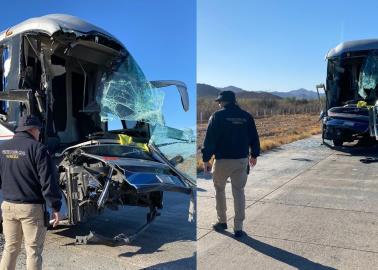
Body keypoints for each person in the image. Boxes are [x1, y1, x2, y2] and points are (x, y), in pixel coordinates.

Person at [0, 115, 62, 270]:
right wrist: (55, 207)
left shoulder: (2, 148)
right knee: (33, 251)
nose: (39, 133)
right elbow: (47, 182)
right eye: (39, 130)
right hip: (31, 209)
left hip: (7, 206)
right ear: (32, 129)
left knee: (10, 248)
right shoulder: (38, 149)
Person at [202, 90, 260, 237]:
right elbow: (254, 136)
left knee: (220, 190)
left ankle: (222, 222)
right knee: (239, 192)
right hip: (241, 160)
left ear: (223, 102)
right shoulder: (247, 116)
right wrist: (254, 154)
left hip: (222, 161)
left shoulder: (217, 116)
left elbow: (210, 140)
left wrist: (206, 159)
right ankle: (238, 228)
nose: (219, 103)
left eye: (219, 101)